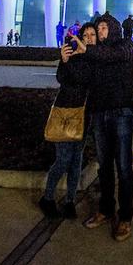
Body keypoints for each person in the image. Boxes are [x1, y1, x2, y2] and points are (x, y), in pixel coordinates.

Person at [81, 14, 133, 242]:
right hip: (100, 114)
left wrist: (87, 50)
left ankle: (125, 217)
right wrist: (67, 62)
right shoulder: (94, 53)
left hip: (121, 113)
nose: (100, 32)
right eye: (98, 29)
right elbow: (77, 78)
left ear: (113, 28)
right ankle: (106, 209)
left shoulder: (125, 46)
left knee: (124, 166)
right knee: (104, 166)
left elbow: (111, 55)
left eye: (104, 28)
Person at [43, 22, 98, 220]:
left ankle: (69, 201)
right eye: (87, 35)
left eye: (93, 35)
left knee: (77, 161)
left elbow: (89, 80)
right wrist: (64, 61)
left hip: (84, 115)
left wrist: (77, 60)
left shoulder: (96, 61)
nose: (90, 38)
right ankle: (47, 197)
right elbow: (61, 78)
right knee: (64, 159)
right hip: (66, 112)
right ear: (81, 37)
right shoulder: (73, 58)